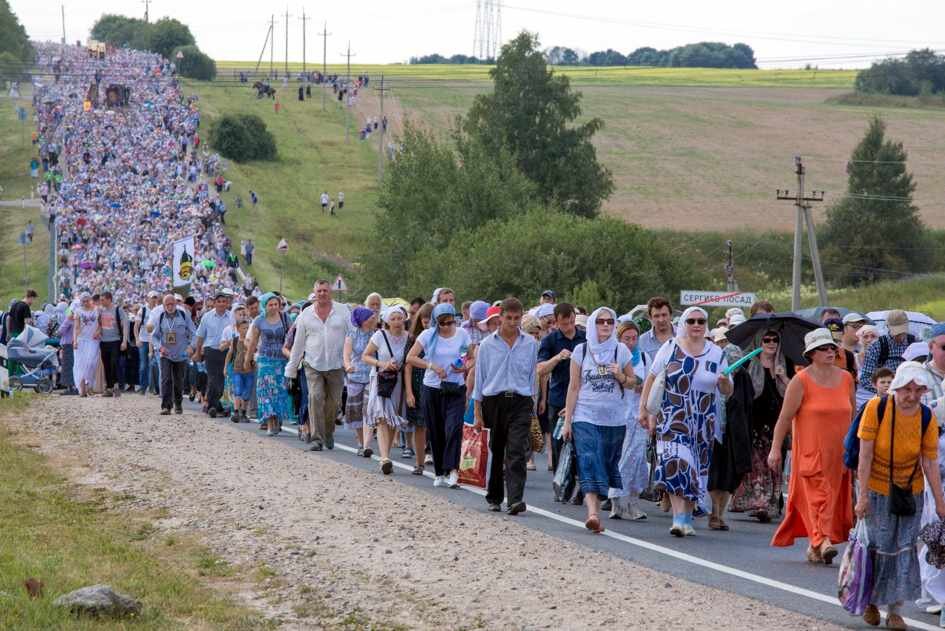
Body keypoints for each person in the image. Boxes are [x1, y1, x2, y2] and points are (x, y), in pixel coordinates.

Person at [856, 362, 945, 630]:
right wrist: (862, 497)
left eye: (918, 390)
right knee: (880, 547)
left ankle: (895, 610)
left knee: (904, 548)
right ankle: (871, 602)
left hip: (910, 491)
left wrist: (941, 503)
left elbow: (929, 462)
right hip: (877, 489)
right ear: (897, 387)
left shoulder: (927, 416)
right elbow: (865, 455)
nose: (912, 396)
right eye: (907, 389)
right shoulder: (877, 408)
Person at [640, 306, 732, 536]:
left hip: (703, 420)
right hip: (673, 416)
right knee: (675, 464)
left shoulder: (716, 353)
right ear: (684, 324)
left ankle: (687, 517)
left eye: (701, 321)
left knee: (695, 470)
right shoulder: (670, 347)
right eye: (691, 321)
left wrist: (723, 383)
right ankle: (678, 518)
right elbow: (651, 379)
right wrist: (644, 410)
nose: (697, 325)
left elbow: (728, 389)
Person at [768, 328, 855, 564]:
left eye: (832, 348)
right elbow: (785, 418)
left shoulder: (846, 379)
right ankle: (823, 540)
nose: (830, 351)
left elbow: (853, 415)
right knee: (819, 497)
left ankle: (815, 546)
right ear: (811, 354)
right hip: (811, 451)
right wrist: (775, 448)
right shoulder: (801, 380)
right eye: (823, 348)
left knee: (832, 498)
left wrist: (856, 449)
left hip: (839, 453)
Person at [562, 308, 637, 533]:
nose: (605, 325)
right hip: (585, 415)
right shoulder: (581, 350)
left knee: (605, 462)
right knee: (588, 458)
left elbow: (633, 382)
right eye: (601, 321)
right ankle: (592, 513)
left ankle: (598, 500)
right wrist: (568, 420)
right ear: (593, 324)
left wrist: (620, 375)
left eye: (610, 321)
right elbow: (573, 386)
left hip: (614, 419)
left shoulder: (621, 350)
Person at [472, 298, 538, 515]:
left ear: (521, 318)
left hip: (520, 400)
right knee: (498, 450)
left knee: (517, 449)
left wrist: (534, 404)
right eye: (508, 318)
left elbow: (531, 376)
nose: (512, 322)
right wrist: (477, 411)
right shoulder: (487, 345)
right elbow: (480, 378)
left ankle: (515, 499)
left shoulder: (530, 343)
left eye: (516, 318)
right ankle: (494, 496)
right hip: (494, 400)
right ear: (500, 318)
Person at [407, 303, 470, 488]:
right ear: (436, 322)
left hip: (456, 388)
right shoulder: (427, 335)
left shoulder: (462, 334)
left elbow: (471, 356)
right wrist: (432, 366)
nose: (447, 326)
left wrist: (464, 366)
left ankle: (452, 469)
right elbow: (411, 357)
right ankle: (439, 471)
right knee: (435, 430)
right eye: (442, 323)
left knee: (453, 427)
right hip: (432, 387)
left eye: (450, 322)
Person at [730, 330, 789, 523]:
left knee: (773, 464)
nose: (771, 343)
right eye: (767, 340)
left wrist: (783, 378)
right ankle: (759, 503)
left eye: (775, 340)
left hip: (776, 422)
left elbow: (793, 392)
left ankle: (769, 503)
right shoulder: (748, 363)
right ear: (759, 342)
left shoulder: (784, 363)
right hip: (753, 420)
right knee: (757, 463)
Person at [286, 280, 351, 452]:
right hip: (313, 364)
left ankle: (328, 431)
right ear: (314, 293)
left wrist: (350, 360)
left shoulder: (343, 311)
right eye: (319, 291)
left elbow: (351, 336)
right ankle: (317, 438)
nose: (322, 293)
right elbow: (298, 344)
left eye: (325, 290)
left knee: (333, 403)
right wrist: (291, 370)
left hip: (336, 365)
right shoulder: (305, 315)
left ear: (330, 292)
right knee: (314, 397)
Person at [608, 320, 650, 521]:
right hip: (619, 415)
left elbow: (650, 383)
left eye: (634, 338)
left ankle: (633, 502)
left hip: (639, 416)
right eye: (627, 338)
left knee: (638, 460)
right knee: (623, 459)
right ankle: (617, 501)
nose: (631, 342)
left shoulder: (644, 357)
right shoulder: (613, 358)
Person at [538, 303, 587, 471]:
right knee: (558, 442)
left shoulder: (585, 338)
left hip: (582, 398)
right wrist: (557, 357)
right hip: (558, 397)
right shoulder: (550, 340)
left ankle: (579, 482)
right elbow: (540, 369)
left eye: (572, 322)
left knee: (581, 443)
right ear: (556, 322)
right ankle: (560, 483)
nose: (569, 326)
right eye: (565, 323)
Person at [362, 305, 411, 475]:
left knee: (393, 420)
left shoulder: (409, 338)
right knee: (383, 417)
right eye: (393, 318)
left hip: (398, 382)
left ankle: (386, 455)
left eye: (399, 318)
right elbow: (366, 356)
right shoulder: (380, 335)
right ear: (387, 321)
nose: (397, 321)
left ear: (404, 319)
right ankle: (384, 458)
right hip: (381, 380)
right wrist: (383, 364)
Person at [244, 293, 290, 436]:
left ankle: (277, 420)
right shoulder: (259, 320)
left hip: (281, 360)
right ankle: (269, 422)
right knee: (266, 392)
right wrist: (247, 359)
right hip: (265, 360)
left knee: (279, 391)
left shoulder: (285, 318)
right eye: (270, 304)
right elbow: (252, 342)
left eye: (276, 304)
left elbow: (292, 338)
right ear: (265, 306)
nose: (274, 307)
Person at [152, 293, 196, 415]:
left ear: (176, 304)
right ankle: (166, 406)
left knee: (178, 381)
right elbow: (154, 337)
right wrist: (160, 347)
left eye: (172, 304)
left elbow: (194, 333)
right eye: (167, 304)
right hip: (166, 354)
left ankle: (178, 403)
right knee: (166, 379)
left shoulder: (183, 315)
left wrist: (191, 347)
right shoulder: (160, 317)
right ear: (164, 305)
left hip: (181, 354)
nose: (170, 306)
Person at [404, 303, 433, 474]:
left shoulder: (441, 338)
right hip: (417, 384)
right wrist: (408, 392)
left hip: (435, 384)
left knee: (435, 425)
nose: (427, 323)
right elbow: (407, 366)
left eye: (430, 320)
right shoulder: (414, 339)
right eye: (424, 320)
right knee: (420, 425)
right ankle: (420, 463)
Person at [195, 290, 233, 418]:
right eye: (219, 302)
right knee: (212, 378)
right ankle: (213, 406)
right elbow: (200, 336)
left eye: (224, 301)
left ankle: (214, 406)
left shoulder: (232, 316)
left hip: (226, 351)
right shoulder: (207, 316)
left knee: (222, 379)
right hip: (210, 350)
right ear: (215, 303)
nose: (221, 304)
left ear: (227, 303)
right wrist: (197, 352)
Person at [860, 309, 915, 396]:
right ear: (888, 327)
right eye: (896, 332)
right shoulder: (877, 346)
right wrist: (884, 389)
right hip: (885, 397)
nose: (899, 335)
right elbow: (865, 379)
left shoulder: (914, 343)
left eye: (902, 331)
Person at [345, 306, 377, 454]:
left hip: (371, 376)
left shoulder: (376, 334)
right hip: (355, 377)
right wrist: (347, 365)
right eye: (370, 317)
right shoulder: (352, 334)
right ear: (363, 319)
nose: (373, 318)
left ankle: (367, 445)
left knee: (367, 410)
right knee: (356, 411)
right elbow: (346, 355)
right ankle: (361, 441)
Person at [98, 291, 129, 398]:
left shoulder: (117, 310)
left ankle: (116, 385)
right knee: (106, 365)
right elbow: (98, 325)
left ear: (109, 299)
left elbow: (125, 325)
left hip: (115, 341)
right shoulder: (101, 311)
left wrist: (124, 341)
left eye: (102, 300)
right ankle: (109, 388)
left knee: (114, 363)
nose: (101, 302)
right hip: (103, 341)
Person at [72, 294, 100, 398]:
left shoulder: (97, 310)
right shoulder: (78, 311)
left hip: (93, 340)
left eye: (87, 301)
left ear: (90, 300)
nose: (85, 303)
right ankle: (82, 388)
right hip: (81, 340)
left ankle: (89, 384)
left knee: (91, 362)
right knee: (80, 364)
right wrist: (75, 341)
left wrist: (98, 331)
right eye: (83, 301)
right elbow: (76, 327)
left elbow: (101, 324)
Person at [225, 318, 253, 422]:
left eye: (247, 328)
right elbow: (230, 353)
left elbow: (254, 351)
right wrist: (225, 367)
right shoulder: (235, 340)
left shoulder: (251, 341)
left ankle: (244, 412)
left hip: (249, 370)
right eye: (243, 328)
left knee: (247, 392)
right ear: (238, 329)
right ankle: (236, 412)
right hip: (237, 369)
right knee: (238, 390)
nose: (246, 330)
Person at [135, 291, 160, 394]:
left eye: (155, 297)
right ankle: (143, 386)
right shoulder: (143, 310)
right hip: (144, 340)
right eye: (152, 297)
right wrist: (137, 339)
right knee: (143, 365)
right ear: (148, 299)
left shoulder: (159, 310)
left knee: (154, 365)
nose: (154, 299)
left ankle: (153, 387)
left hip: (154, 340)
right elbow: (136, 326)